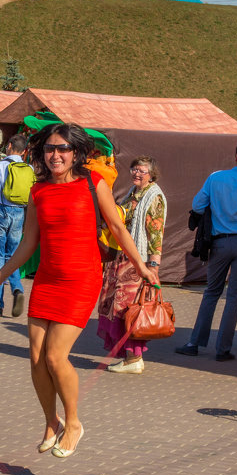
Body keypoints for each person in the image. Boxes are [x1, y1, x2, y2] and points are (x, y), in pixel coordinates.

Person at [0, 124, 156, 459]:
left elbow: (117, 227)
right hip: (48, 280)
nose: (56, 155)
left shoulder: (94, 183)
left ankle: (75, 423)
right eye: (50, 149)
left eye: (63, 149)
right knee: (35, 358)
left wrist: (142, 266)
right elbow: (28, 242)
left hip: (81, 280)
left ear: (76, 152)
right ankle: (52, 422)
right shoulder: (38, 191)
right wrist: (1, 276)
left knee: (54, 355)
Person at [175, 139, 237, 362]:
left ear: (236, 156)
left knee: (212, 292)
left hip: (220, 242)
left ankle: (194, 342)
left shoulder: (216, 178)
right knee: (234, 297)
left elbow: (197, 205)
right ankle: (223, 349)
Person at [97, 156, 167, 373]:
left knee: (131, 309)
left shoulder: (154, 197)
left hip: (137, 261)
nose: (137, 173)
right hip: (123, 257)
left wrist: (153, 266)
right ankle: (130, 357)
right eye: (134, 169)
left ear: (151, 174)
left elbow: (156, 232)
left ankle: (134, 358)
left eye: (142, 171)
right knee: (118, 308)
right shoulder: (133, 193)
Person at [0, 133, 32, 317]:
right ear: (24, 151)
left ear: (9, 146)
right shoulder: (29, 168)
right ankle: (17, 288)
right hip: (19, 213)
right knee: (13, 255)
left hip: (1, 212)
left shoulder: (0, 166)